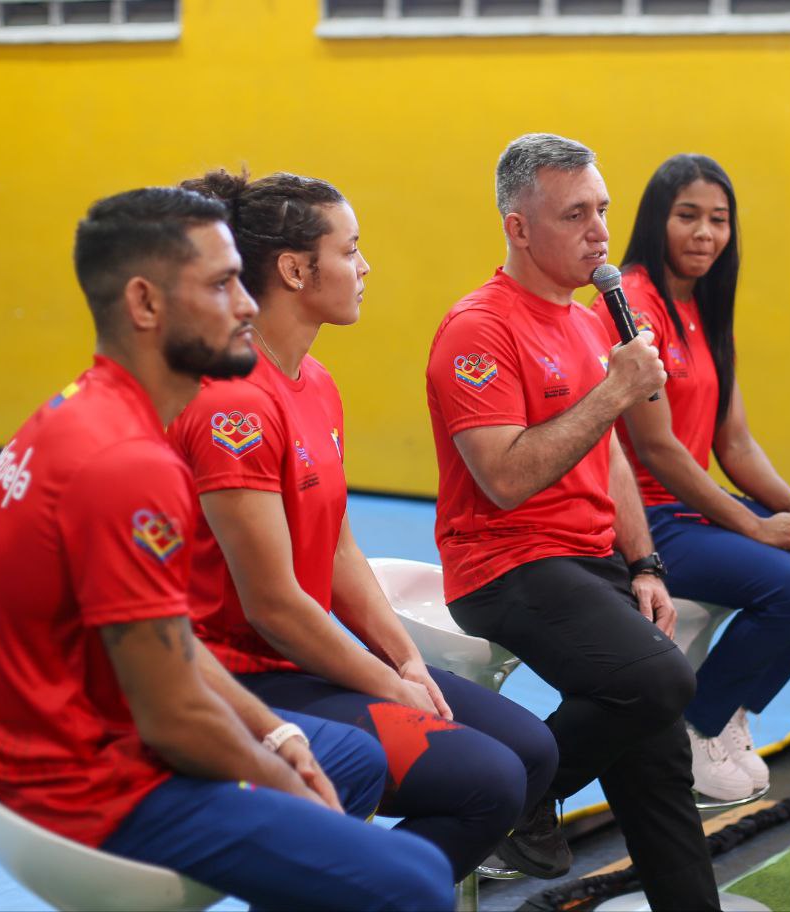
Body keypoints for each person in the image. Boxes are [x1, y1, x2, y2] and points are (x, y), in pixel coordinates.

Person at [0, 187, 452, 910]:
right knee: (420, 880)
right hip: (79, 789)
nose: (247, 304)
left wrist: (276, 734)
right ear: (145, 304)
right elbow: (173, 717)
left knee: (349, 759)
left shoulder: (78, 409)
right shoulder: (129, 464)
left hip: (31, 751)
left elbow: (169, 643)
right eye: (221, 285)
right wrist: (285, 782)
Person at [168, 169, 557, 882]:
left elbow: (338, 544)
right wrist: (384, 681)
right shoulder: (233, 406)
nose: (365, 266)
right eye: (350, 251)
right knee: (490, 782)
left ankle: (349, 884)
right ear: (295, 271)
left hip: (294, 662)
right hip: (235, 677)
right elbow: (273, 607)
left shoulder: (315, 382)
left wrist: (405, 660)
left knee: (532, 753)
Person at [426, 133, 721, 910]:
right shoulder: (478, 328)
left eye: (602, 210)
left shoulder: (590, 323)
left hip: (590, 562)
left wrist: (644, 564)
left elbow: (611, 456)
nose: (599, 231)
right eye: (575, 215)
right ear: (518, 228)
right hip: (505, 562)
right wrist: (615, 392)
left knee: (660, 770)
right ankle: (508, 795)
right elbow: (504, 480)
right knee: (661, 679)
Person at [593, 153, 790, 801]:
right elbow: (657, 448)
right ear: (657, 220)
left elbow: (733, 440)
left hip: (692, 511)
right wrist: (755, 525)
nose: (705, 233)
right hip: (642, 521)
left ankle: (729, 709)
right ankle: (696, 726)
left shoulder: (704, 306)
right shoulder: (632, 304)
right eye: (687, 216)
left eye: (719, 220)